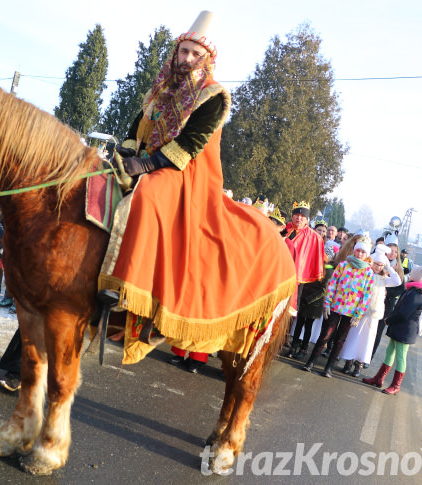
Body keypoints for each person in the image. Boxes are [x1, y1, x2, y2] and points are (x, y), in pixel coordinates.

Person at [97, 11, 296, 366]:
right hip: (146, 158)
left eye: (194, 53)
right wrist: (128, 149)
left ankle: (130, 292)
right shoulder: (159, 90)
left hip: (186, 170)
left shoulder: (213, 96)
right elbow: (136, 124)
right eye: (182, 52)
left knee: (148, 197)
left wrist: (146, 164)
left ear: (206, 59)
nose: (186, 59)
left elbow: (192, 144)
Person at [303, 235, 375, 377]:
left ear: (367, 254)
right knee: (325, 335)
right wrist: (327, 303)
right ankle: (311, 361)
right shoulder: (343, 265)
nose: (359, 254)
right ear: (354, 250)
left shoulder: (368, 272)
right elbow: (332, 285)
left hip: (351, 311)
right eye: (358, 250)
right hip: (335, 307)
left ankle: (329, 367)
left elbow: (366, 295)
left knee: (340, 340)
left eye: (363, 252)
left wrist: (358, 314)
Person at [363, 265, 422, 394]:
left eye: (413, 274)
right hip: (400, 328)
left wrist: (389, 320)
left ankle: (396, 386)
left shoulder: (416, 294)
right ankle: (379, 378)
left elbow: (403, 314)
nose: (410, 276)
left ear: (417, 277)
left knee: (401, 357)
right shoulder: (413, 290)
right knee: (389, 352)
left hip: (405, 330)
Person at [339, 245, 401, 377]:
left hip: (374, 315)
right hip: (360, 312)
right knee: (353, 337)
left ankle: (358, 365)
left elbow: (397, 281)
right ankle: (348, 362)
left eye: (381, 265)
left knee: (366, 341)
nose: (378, 267)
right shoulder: (365, 274)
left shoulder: (384, 279)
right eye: (376, 264)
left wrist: (389, 267)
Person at [283, 201, 325, 358]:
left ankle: (285, 339)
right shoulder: (284, 229)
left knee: (290, 312)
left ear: (307, 219)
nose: (299, 218)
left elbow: (316, 260)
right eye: (296, 215)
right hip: (279, 274)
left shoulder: (314, 237)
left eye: (302, 216)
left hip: (298, 280)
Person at [370, 242, 405, 360]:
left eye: (395, 252)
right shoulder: (376, 261)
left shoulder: (398, 268)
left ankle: (370, 356)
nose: (392, 253)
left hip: (387, 303)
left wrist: (386, 292)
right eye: (390, 250)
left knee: (378, 331)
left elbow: (400, 288)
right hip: (370, 300)